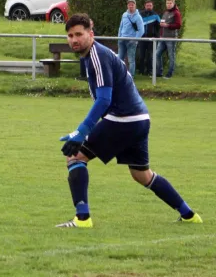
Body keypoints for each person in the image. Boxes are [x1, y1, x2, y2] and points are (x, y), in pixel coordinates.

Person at [56, 13, 202, 228]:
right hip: (139, 120)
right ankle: (189, 214)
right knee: (142, 174)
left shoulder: (97, 55)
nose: (74, 39)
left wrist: (81, 131)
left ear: (91, 34)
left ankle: (82, 219)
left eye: (79, 34)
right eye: (70, 35)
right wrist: (82, 132)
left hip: (124, 119)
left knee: (75, 158)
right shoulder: (93, 56)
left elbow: (104, 100)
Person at [117, 0, 144, 78]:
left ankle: (131, 77)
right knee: (120, 58)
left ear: (135, 5)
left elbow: (141, 30)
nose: (130, 6)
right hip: (122, 40)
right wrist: (119, 37)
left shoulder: (138, 17)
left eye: (132, 4)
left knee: (131, 60)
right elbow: (120, 27)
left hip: (131, 41)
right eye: (129, 4)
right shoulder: (124, 15)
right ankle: (120, 75)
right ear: (127, 5)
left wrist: (135, 40)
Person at [156, 0, 182, 79]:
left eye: (170, 3)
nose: (168, 5)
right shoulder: (165, 12)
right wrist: (161, 27)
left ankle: (169, 74)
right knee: (157, 54)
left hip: (171, 38)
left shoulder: (176, 13)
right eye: (167, 3)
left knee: (171, 56)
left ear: (173, 4)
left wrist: (168, 25)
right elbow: (163, 24)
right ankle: (159, 73)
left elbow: (179, 25)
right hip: (162, 37)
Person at [138, 0, 161, 76]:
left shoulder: (156, 15)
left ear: (152, 6)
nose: (149, 7)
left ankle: (149, 71)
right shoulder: (140, 15)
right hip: (142, 38)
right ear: (145, 6)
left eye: (150, 5)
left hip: (152, 39)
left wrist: (156, 36)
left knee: (150, 56)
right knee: (141, 56)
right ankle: (141, 71)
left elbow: (159, 27)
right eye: (147, 5)